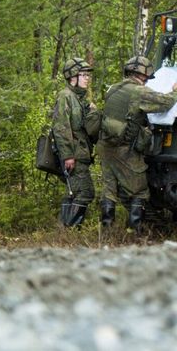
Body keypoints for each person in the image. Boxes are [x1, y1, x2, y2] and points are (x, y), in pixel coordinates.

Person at [98, 55, 177, 232]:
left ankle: (106, 229)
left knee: (109, 187)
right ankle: (137, 229)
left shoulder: (112, 89)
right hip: (124, 149)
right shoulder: (139, 91)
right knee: (140, 190)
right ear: (142, 76)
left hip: (105, 145)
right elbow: (166, 103)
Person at [51, 57, 100, 227]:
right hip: (74, 155)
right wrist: (68, 156)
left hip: (81, 154)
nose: (87, 78)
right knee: (86, 192)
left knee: (75, 192)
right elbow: (61, 128)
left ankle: (64, 229)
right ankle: (70, 230)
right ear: (73, 77)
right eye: (84, 75)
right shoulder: (65, 96)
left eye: (88, 75)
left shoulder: (81, 99)